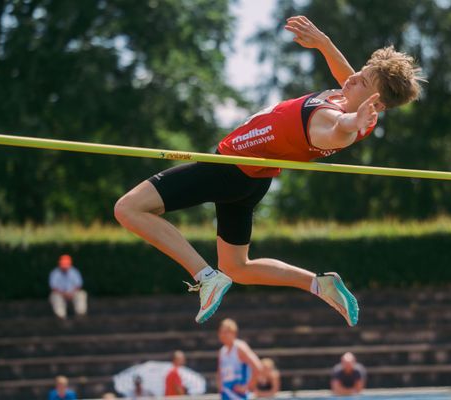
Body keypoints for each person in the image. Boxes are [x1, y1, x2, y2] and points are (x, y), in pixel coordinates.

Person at [114, 15, 423, 326]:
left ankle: (205, 276)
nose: (353, 78)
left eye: (363, 81)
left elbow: (339, 127)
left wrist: (352, 122)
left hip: (228, 169)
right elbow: (349, 78)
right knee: (237, 267)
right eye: (360, 72)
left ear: (376, 105)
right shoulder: (356, 97)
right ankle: (319, 284)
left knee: (128, 208)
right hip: (252, 180)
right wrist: (325, 44)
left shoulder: (336, 122)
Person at [217, 318, 263, 400]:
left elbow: (258, 367)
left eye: (225, 332)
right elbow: (220, 373)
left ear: (233, 333)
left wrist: (247, 387)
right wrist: (221, 389)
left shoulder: (240, 348)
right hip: (226, 395)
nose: (222, 335)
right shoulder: (222, 351)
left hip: (239, 396)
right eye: (221, 332)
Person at [48, 254, 87, 319]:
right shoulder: (55, 273)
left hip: (72, 293)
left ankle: (81, 314)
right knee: (55, 296)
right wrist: (64, 294)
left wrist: (71, 293)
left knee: (81, 294)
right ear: (60, 264)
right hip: (60, 294)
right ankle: (60, 316)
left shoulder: (74, 272)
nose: (64, 267)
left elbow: (78, 285)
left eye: (66, 265)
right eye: (63, 265)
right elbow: (53, 288)